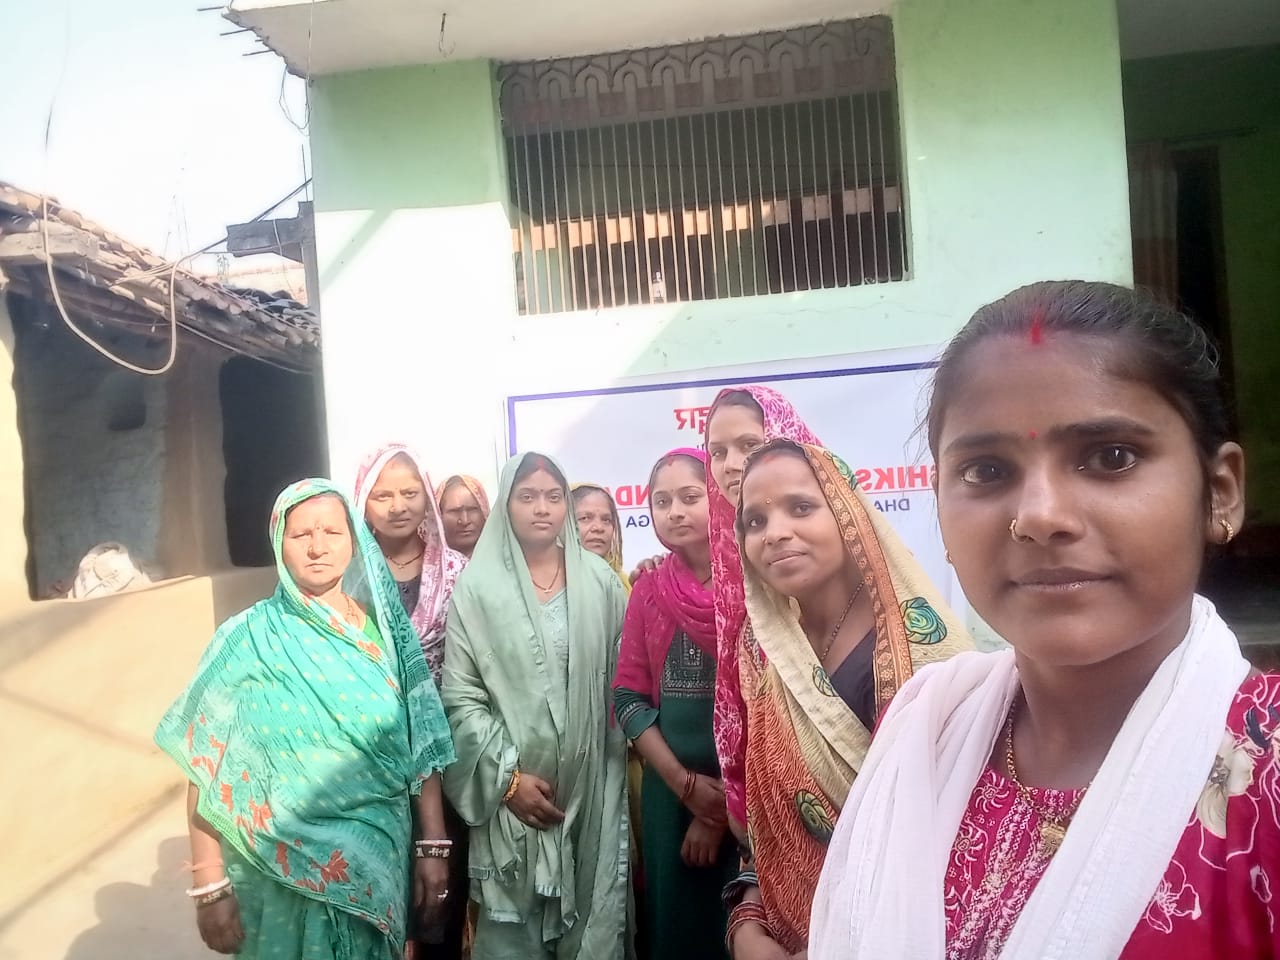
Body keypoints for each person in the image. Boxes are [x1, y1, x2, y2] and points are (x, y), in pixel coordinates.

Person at [808, 281, 1278, 959]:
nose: (1038, 515)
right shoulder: (923, 731)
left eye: (1110, 457)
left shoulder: (1267, 782)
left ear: (1221, 492)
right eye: (987, 469)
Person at [155, 479, 456, 960]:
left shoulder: (389, 637)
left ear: (353, 540)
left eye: (332, 533)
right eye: (301, 535)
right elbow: (206, 763)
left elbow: (423, 746)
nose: (318, 548)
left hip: (377, 863)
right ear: (279, 542)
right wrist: (209, 882)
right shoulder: (246, 640)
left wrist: (433, 847)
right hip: (273, 875)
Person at [726, 440, 972, 958]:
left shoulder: (920, 650)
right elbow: (769, 817)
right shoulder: (767, 649)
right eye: (754, 521)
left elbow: (959, 839)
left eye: (801, 508)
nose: (775, 534)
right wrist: (747, 917)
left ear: (847, 512)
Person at [440, 452, 631, 959]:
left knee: (594, 924)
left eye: (553, 497)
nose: (541, 508)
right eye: (527, 497)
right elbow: (460, 698)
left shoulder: (602, 584)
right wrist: (508, 781)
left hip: (593, 792)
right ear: (507, 505)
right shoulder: (477, 590)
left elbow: (626, 684)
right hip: (514, 803)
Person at [614, 449, 736, 960]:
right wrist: (685, 789)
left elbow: (772, 704)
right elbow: (628, 698)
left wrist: (718, 811)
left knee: (744, 927)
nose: (675, 511)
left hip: (751, 796)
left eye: (690, 497)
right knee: (677, 932)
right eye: (661, 502)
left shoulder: (752, 582)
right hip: (671, 797)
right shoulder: (649, 589)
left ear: (716, 498)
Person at [353, 444, 470, 957]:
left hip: (446, 750)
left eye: (409, 492)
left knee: (439, 900)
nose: (398, 505)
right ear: (362, 500)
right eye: (383, 494)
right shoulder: (344, 573)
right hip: (366, 754)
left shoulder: (460, 573)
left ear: (426, 497)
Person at [703, 386, 821, 837]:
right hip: (765, 816)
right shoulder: (731, 559)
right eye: (717, 452)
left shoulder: (844, 548)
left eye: (749, 445)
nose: (730, 464)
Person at [573, 483, 632, 595]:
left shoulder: (625, 585)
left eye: (606, 520)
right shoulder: (548, 585)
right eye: (585, 518)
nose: (599, 528)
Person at [438, 475, 491, 559]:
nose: (464, 521)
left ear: (484, 512)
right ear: (439, 516)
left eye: (472, 509)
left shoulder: (505, 561)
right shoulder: (425, 567)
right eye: (454, 511)